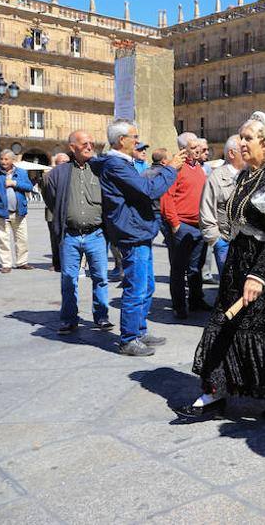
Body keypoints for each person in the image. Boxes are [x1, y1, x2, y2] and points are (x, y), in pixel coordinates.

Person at [175, 111, 265, 421]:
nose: (242, 142)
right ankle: (215, 391)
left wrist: (258, 274)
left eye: (248, 137)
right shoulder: (242, 176)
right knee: (224, 323)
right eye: (241, 137)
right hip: (240, 257)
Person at [89, 119, 186, 356]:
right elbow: (149, 190)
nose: (137, 141)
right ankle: (129, 339)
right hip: (132, 232)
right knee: (136, 287)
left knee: (147, 285)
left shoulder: (121, 163)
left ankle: (139, 330)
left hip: (138, 229)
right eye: (134, 136)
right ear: (122, 140)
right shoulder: (115, 165)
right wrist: (171, 168)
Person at [44, 131, 113, 335]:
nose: (90, 146)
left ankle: (101, 316)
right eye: (85, 144)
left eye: (91, 143)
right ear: (72, 147)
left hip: (96, 234)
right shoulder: (60, 172)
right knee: (68, 279)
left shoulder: (100, 169)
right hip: (70, 235)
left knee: (100, 277)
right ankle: (68, 319)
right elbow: (50, 196)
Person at [161, 132, 211, 319]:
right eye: (193, 148)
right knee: (179, 268)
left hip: (199, 226)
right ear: (183, 150)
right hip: (182, 226)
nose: (198, 150)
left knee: (196, 268)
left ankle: (196, 300)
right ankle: (179, 306)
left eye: (199, 147)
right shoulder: (175, 168)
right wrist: (175, 225)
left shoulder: (198, 167)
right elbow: (167, 197)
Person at [0, 150, 34, 273]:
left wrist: (14, 183)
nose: (4, 162)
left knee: (22, 239)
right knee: (3, 239)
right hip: (0, 212)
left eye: (6, 159)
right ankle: (6, 264)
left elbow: (29, 187)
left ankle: (22, 262)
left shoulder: (21, 172)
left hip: (19, 212)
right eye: (2, 159)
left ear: (13, 160)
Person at [200, 135, 243, 273]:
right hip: (225, 242)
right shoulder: (216, 177)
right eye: (243, 150)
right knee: (228, 287)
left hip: (247, 243)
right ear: (231, 153)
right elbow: (206, 210)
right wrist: (216, 241)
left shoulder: (251, 175)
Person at [143, 148, 174, 264]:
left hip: (149, 212)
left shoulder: (145, 173)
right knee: (173, 246)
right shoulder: (167, 174)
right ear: (164, 161)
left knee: (146, 244)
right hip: (164, 212)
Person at [43, 153, 71, 271]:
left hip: (70, 212)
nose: (65, 164)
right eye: (62, 162)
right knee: (55, 239)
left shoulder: (73, 174)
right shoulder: (47, 176)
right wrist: (56, 207)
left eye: (67, 162)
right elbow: (46, 195)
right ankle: (57, 263)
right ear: (56, 163)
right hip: (52, 212)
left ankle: (70, 262)